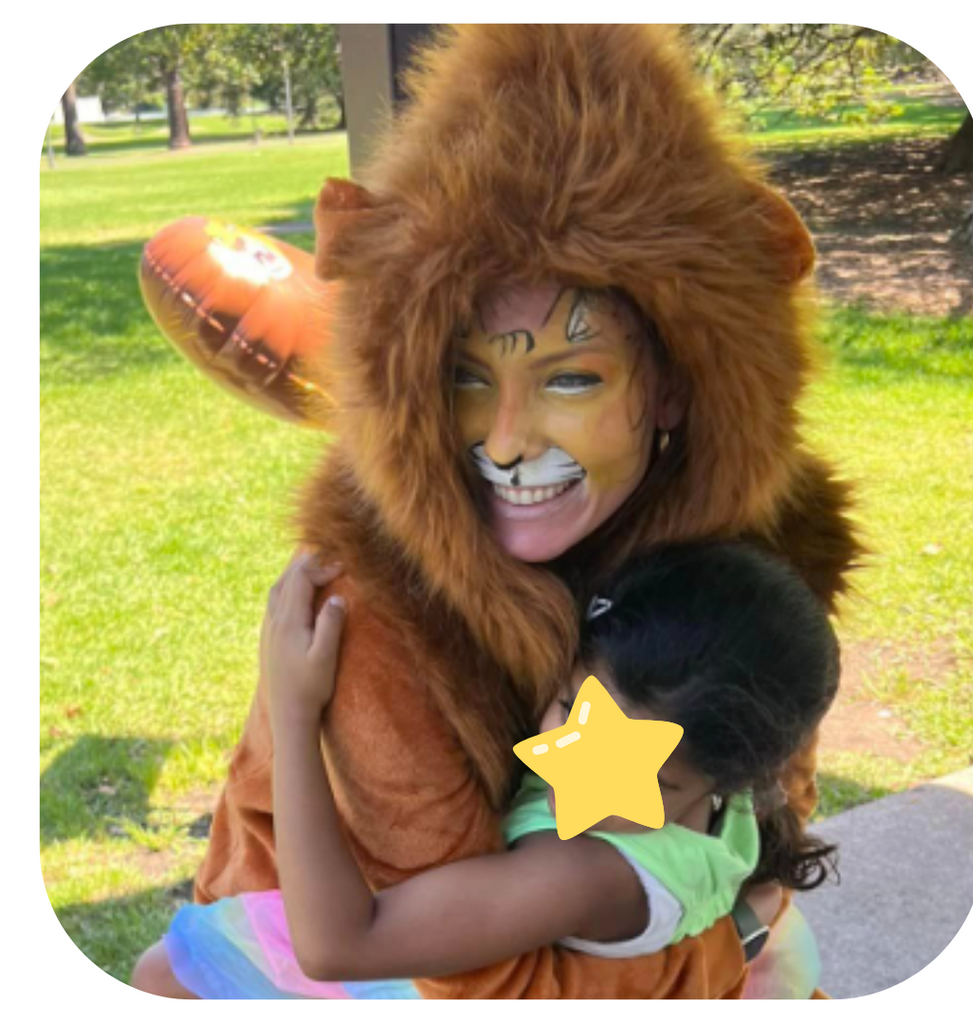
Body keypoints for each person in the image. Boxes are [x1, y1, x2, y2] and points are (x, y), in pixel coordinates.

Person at [135, 25, 860, 998]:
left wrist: (718, 933)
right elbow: (462, 976)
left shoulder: (758, 560)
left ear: (677, 386)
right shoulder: (374, 612)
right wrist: (718, 939)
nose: (508, 441)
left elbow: (773, 817)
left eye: (571, 377)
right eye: (466, 376)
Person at [136, 542, 839, 997]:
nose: (574, 767)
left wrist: (294, 711)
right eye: (572, 707)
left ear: (736, 780)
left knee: (167, 977)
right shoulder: (721, 783)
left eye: (638, 772)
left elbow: (336, 945)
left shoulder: (587, 872)